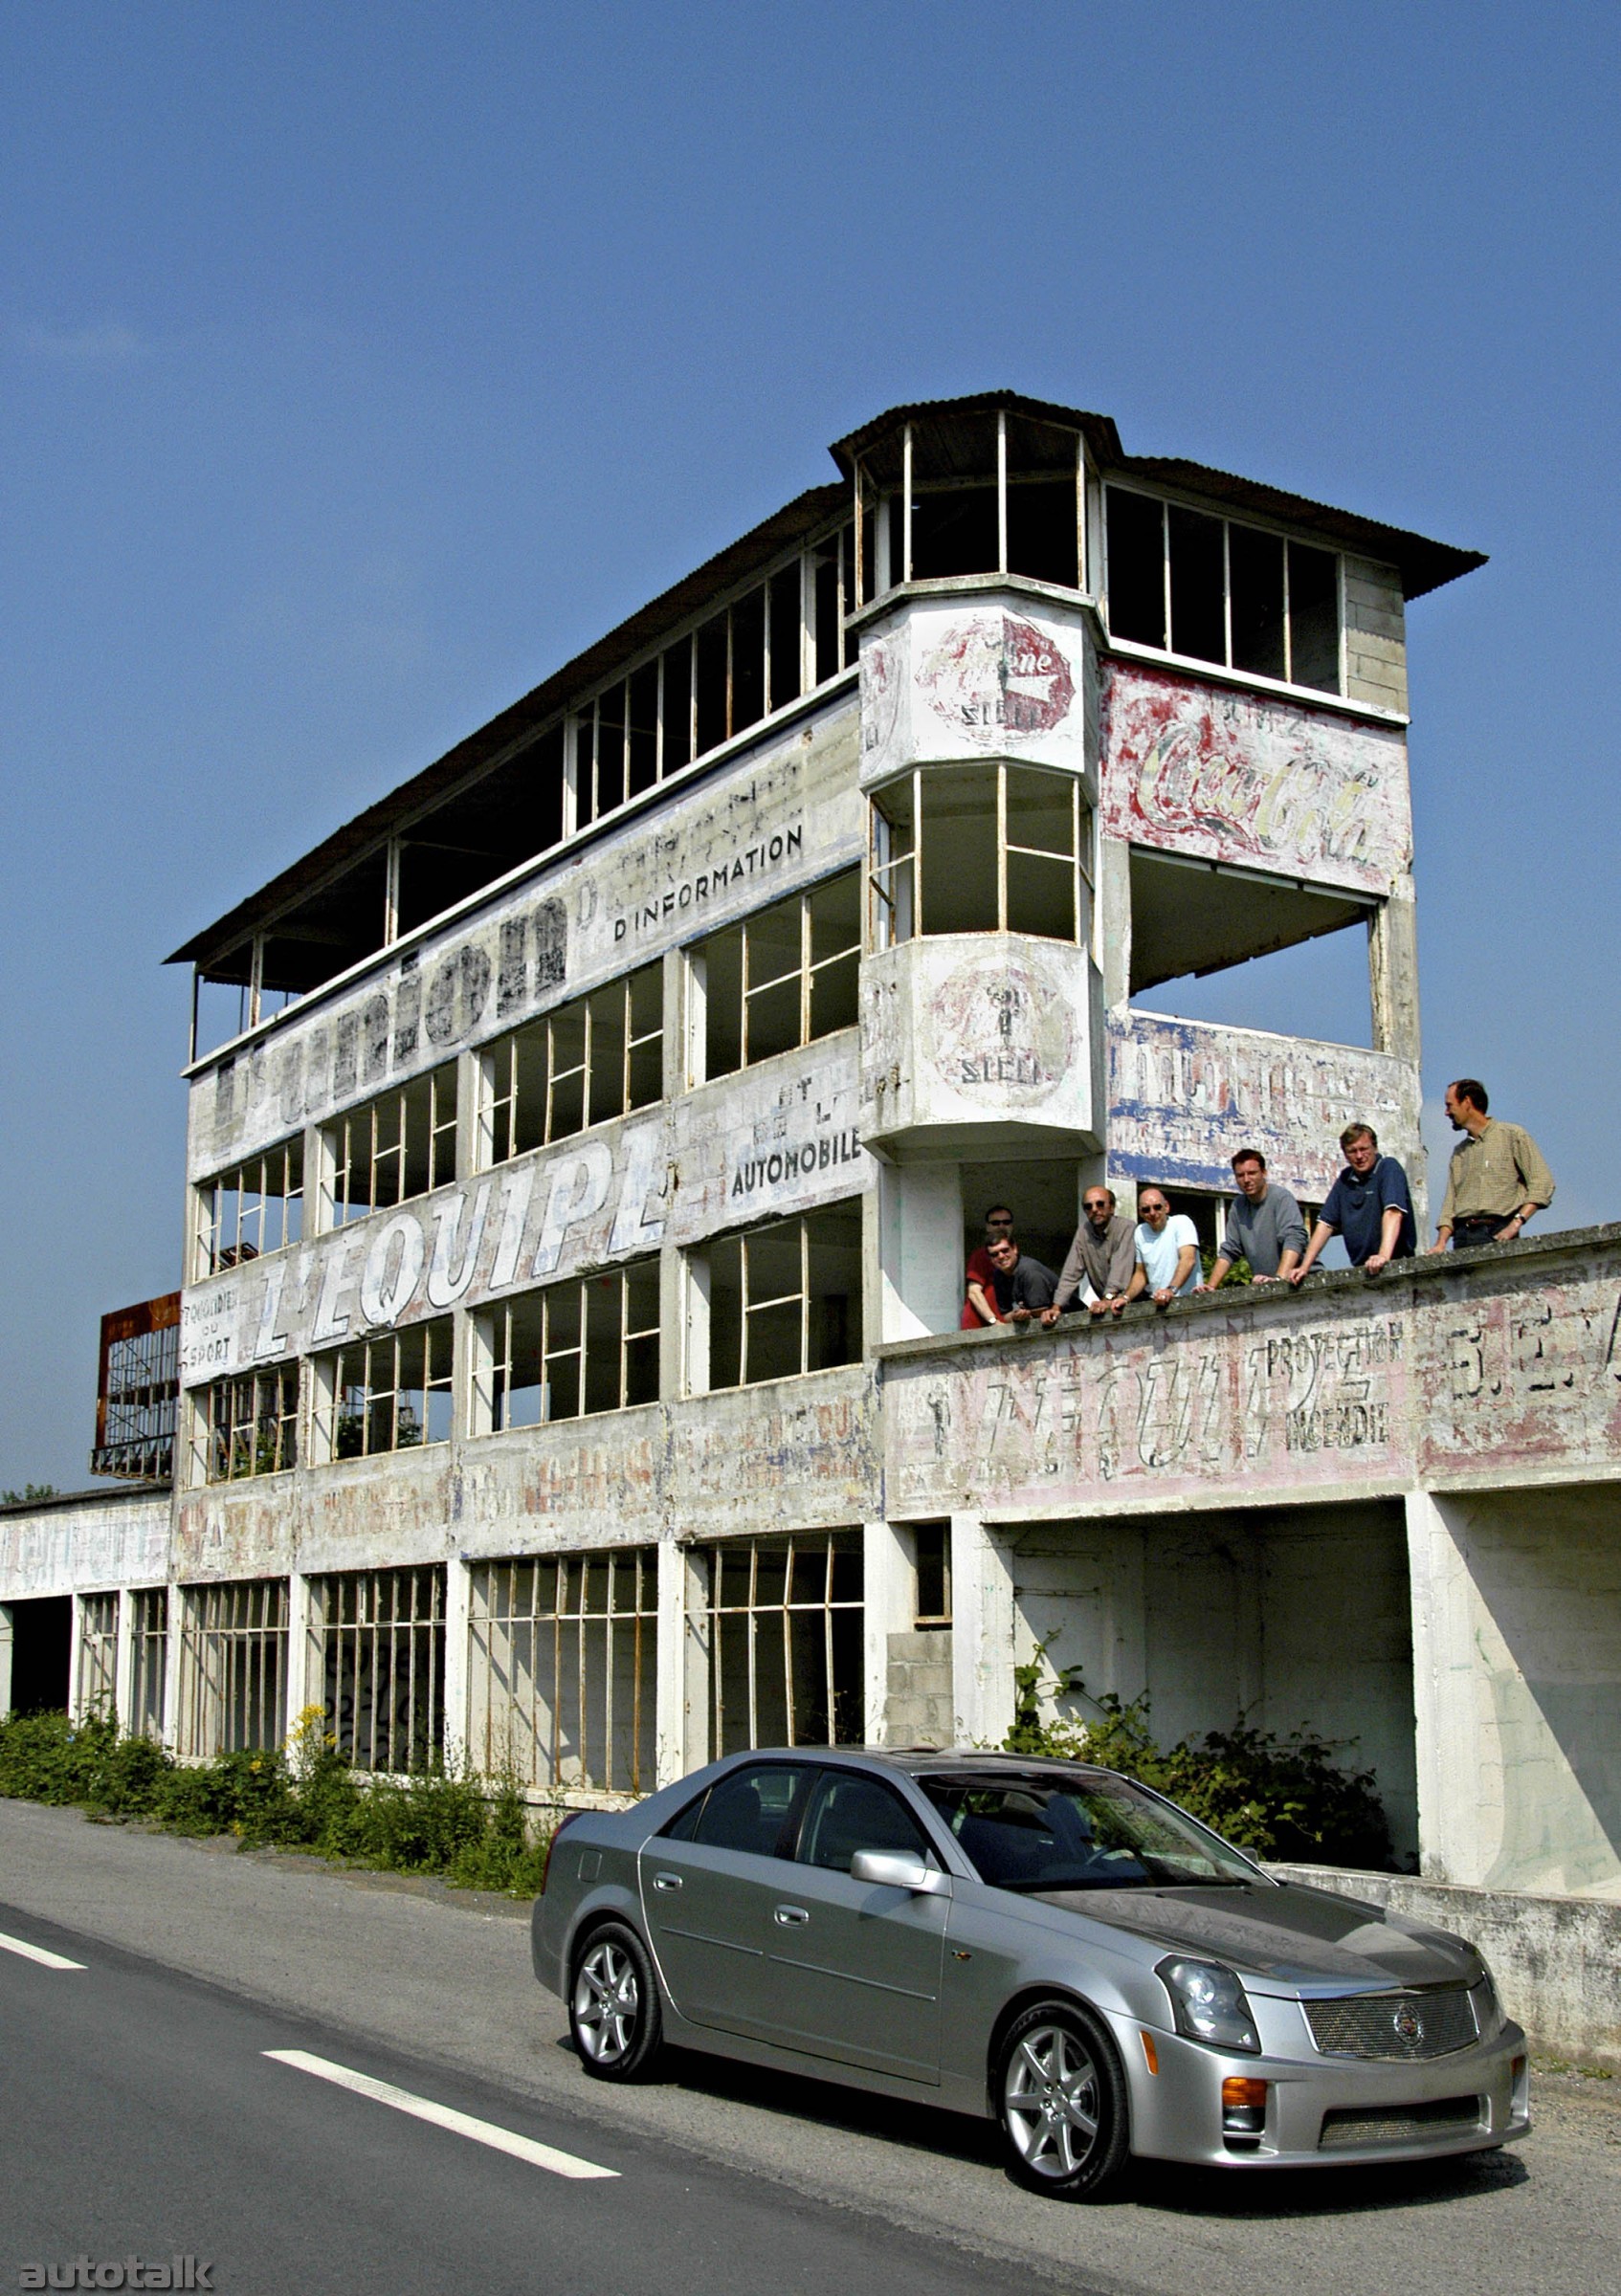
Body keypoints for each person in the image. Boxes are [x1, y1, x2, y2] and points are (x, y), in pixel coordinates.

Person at [1428, 1078, 1555, 1252]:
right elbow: (1450, 1205)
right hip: (1462, 1236)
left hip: (1497, 1232)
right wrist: (1440, 1243)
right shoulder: (1459, 1152)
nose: (1446, 1112)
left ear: (1466, 1102)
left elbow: (1542, 1183)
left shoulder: (1512, 1136)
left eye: (1450, 1105)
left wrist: (1516, 1224)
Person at [1289, 1125, 1416, 1282]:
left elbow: (1393, 1212)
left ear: (1374, 1148)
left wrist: (1383, 1256)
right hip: (1363, 1268)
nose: (1359, 1156)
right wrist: (1304, 1267)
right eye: (1352, 1151)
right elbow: (1325, 1224)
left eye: (1364, 1149)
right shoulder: (1345, 1179)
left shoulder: (1388, 1168)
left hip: (1395, 1263)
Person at [1197, 1149, 1306, 1288]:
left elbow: (1294, 1238)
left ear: (1264, 1173)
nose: (1246, 1180)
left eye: (1252, 1173)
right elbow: (1230, 1249)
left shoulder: (1281, 1198)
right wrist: (1210, 1287)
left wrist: (1280, 1280)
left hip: (1301, 1284)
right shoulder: (1238, 1206)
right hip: (1267, 1287)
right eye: (1240, 1175)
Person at [1043, 1185, 1137, 1323]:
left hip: (1136, 1302)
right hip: (1110, 1306)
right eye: (1088, 1206)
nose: (1094, 1209)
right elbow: (1071, 1273)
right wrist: (1056, 1307)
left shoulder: (1126, 1228)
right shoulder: (1083, 1232)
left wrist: (1107, 1300)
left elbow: (1120, 1270)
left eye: (1100, 1204)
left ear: (1111, 1207)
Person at [1125, 1187, 1200, 1305]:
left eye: (1157, 1207)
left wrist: (1171, 1290)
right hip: (1160, 1304)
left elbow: (1188, 1260)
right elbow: (1141, 1273)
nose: (1152, 1213)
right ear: (1140, 1213)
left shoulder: (1182, 1222)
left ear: (1166, 1207)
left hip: (1190, 1301)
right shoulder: (1140, 1232)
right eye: (1146, 1209)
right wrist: (1125, 1298)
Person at [984, 1233, 1058, 1324]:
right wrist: (1016, 1316)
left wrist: (1024, 1315)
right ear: (990, 1259)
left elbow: (1041, 1314)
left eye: (1005, 1250)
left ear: (1014, 1249)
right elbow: (1006, 1315)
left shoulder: (1029, 1271)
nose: (1001, 1256)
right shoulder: (998, 1275)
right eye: (994, 1254)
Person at [963, 1204, 1015, 1328]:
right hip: (981, 1328)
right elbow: (974, 1292)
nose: (1001, 1226)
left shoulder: (1014, 1257)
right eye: (995, 1223)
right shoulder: (981, 1255)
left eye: (1006, 1222)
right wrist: (993, 1321)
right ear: (988, 1227)